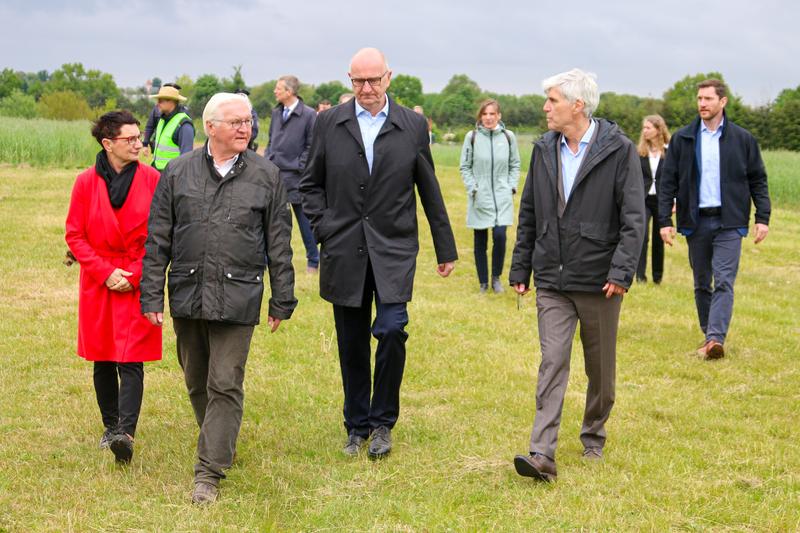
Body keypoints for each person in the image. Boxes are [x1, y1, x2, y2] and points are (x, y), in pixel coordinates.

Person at [299, 47, 457, 459]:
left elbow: (429, 187)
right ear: (349, 81)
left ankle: (383, 422)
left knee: (391, 329)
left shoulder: (412, 125)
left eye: (373, 80)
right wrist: (324, 228)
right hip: (344, 249)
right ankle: (356, 426)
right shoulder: (328, 123)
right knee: (351, 342)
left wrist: (445, 247)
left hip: (393, 247)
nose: (366, 89)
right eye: (358, 81)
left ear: (389, 78)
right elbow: (309, 183)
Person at [140, 92, 297, 505]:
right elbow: (157, 239)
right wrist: (151, 293)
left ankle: (208, 472)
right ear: (211, 128)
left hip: (239, 295)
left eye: (248, 121)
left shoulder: (267, 176)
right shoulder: (176, 172)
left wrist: (283, 297)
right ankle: (219, 440)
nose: (246, 128)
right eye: (236, 122)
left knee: (225, 382)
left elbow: (279, 243)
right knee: (196, 381)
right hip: (188, 292)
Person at [509, 69, 645, 482]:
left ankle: (594, 433)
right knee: (552, 361)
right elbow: (529, 211)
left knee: (599, 367)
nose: (545, 107)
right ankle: (542, 453)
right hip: (552, 277)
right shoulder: (543, 150)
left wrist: (621, 271)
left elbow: (634, 218)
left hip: (599, 279)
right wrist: (520, 266)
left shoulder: (619, 151)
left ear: (577, 105)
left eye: (552, 100)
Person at [65, 110, 162, 464]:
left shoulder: (153, 179)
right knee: (103, 356)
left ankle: (126, 432)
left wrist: (134, 274)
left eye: (139, 137)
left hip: (136, 278)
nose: (139, 143)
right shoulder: (85, 183)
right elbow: (75, 235)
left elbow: (160, 235)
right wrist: (106, 273)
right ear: (108, 144)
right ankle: (110, 427)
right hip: (99, 280)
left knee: (132, 358)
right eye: (130, 139)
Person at [658, 79, 770, 360]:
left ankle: (715, 339)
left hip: (730, 221)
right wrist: (664, 221)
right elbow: (667, 182)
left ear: (723, 102)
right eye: (699, 99)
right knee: (701, 282)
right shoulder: (684, 139)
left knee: (723, 280)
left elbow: (758, 179)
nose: (702, 104)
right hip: (695, 221)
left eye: (708, 99)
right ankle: (710, 334)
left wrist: (762, 217)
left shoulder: (742, 139)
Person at [459, 99, 521, 293]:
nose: (488, 118)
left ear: (499, 116)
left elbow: (515, 164)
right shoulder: (472, 137)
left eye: (492, 114)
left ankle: (496, 278)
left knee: (501, 237)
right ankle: (483, 282)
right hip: (480, 195)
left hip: (502, 196)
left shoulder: (508, 137)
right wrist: (473, 188)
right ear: (480, 117)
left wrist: (511, 186)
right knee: (480, 240)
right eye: (484, 114)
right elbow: (465, 166)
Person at [267, 75, 319, 273]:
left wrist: (299, 165)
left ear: (289, 92)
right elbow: (271, 140)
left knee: (304, 222)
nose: (275, 91)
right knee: (273, 222)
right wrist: (269, 159)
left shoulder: (308, 115)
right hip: (276, 175)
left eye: (278, 88)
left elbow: (311, 144)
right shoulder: (275, 113)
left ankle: (313, 261)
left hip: (297, 177)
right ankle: (268, 261)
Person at [635, 114, 671, 283]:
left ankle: (658, 277)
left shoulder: (670, 151)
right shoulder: (640, 152)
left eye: (648, 128)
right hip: (643, 199)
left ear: (658, 130)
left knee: (659, 238)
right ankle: (640, 276)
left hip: (662, 200)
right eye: (644, 128)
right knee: (642, 236)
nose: (645, 131)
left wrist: (675, 201)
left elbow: (675, 178)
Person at [149, 85, 195, 170]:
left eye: (160, 101)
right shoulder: (162, 119)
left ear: (171, 102)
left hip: (172, 177)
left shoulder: (184, 125)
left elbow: (186, 159)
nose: (157, 104)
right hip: (158, 173)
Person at [143, 82, 181, 151]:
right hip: (158, 149)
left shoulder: (183, 113)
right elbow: (150, 127)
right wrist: (145, 144)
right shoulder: (156, 110)